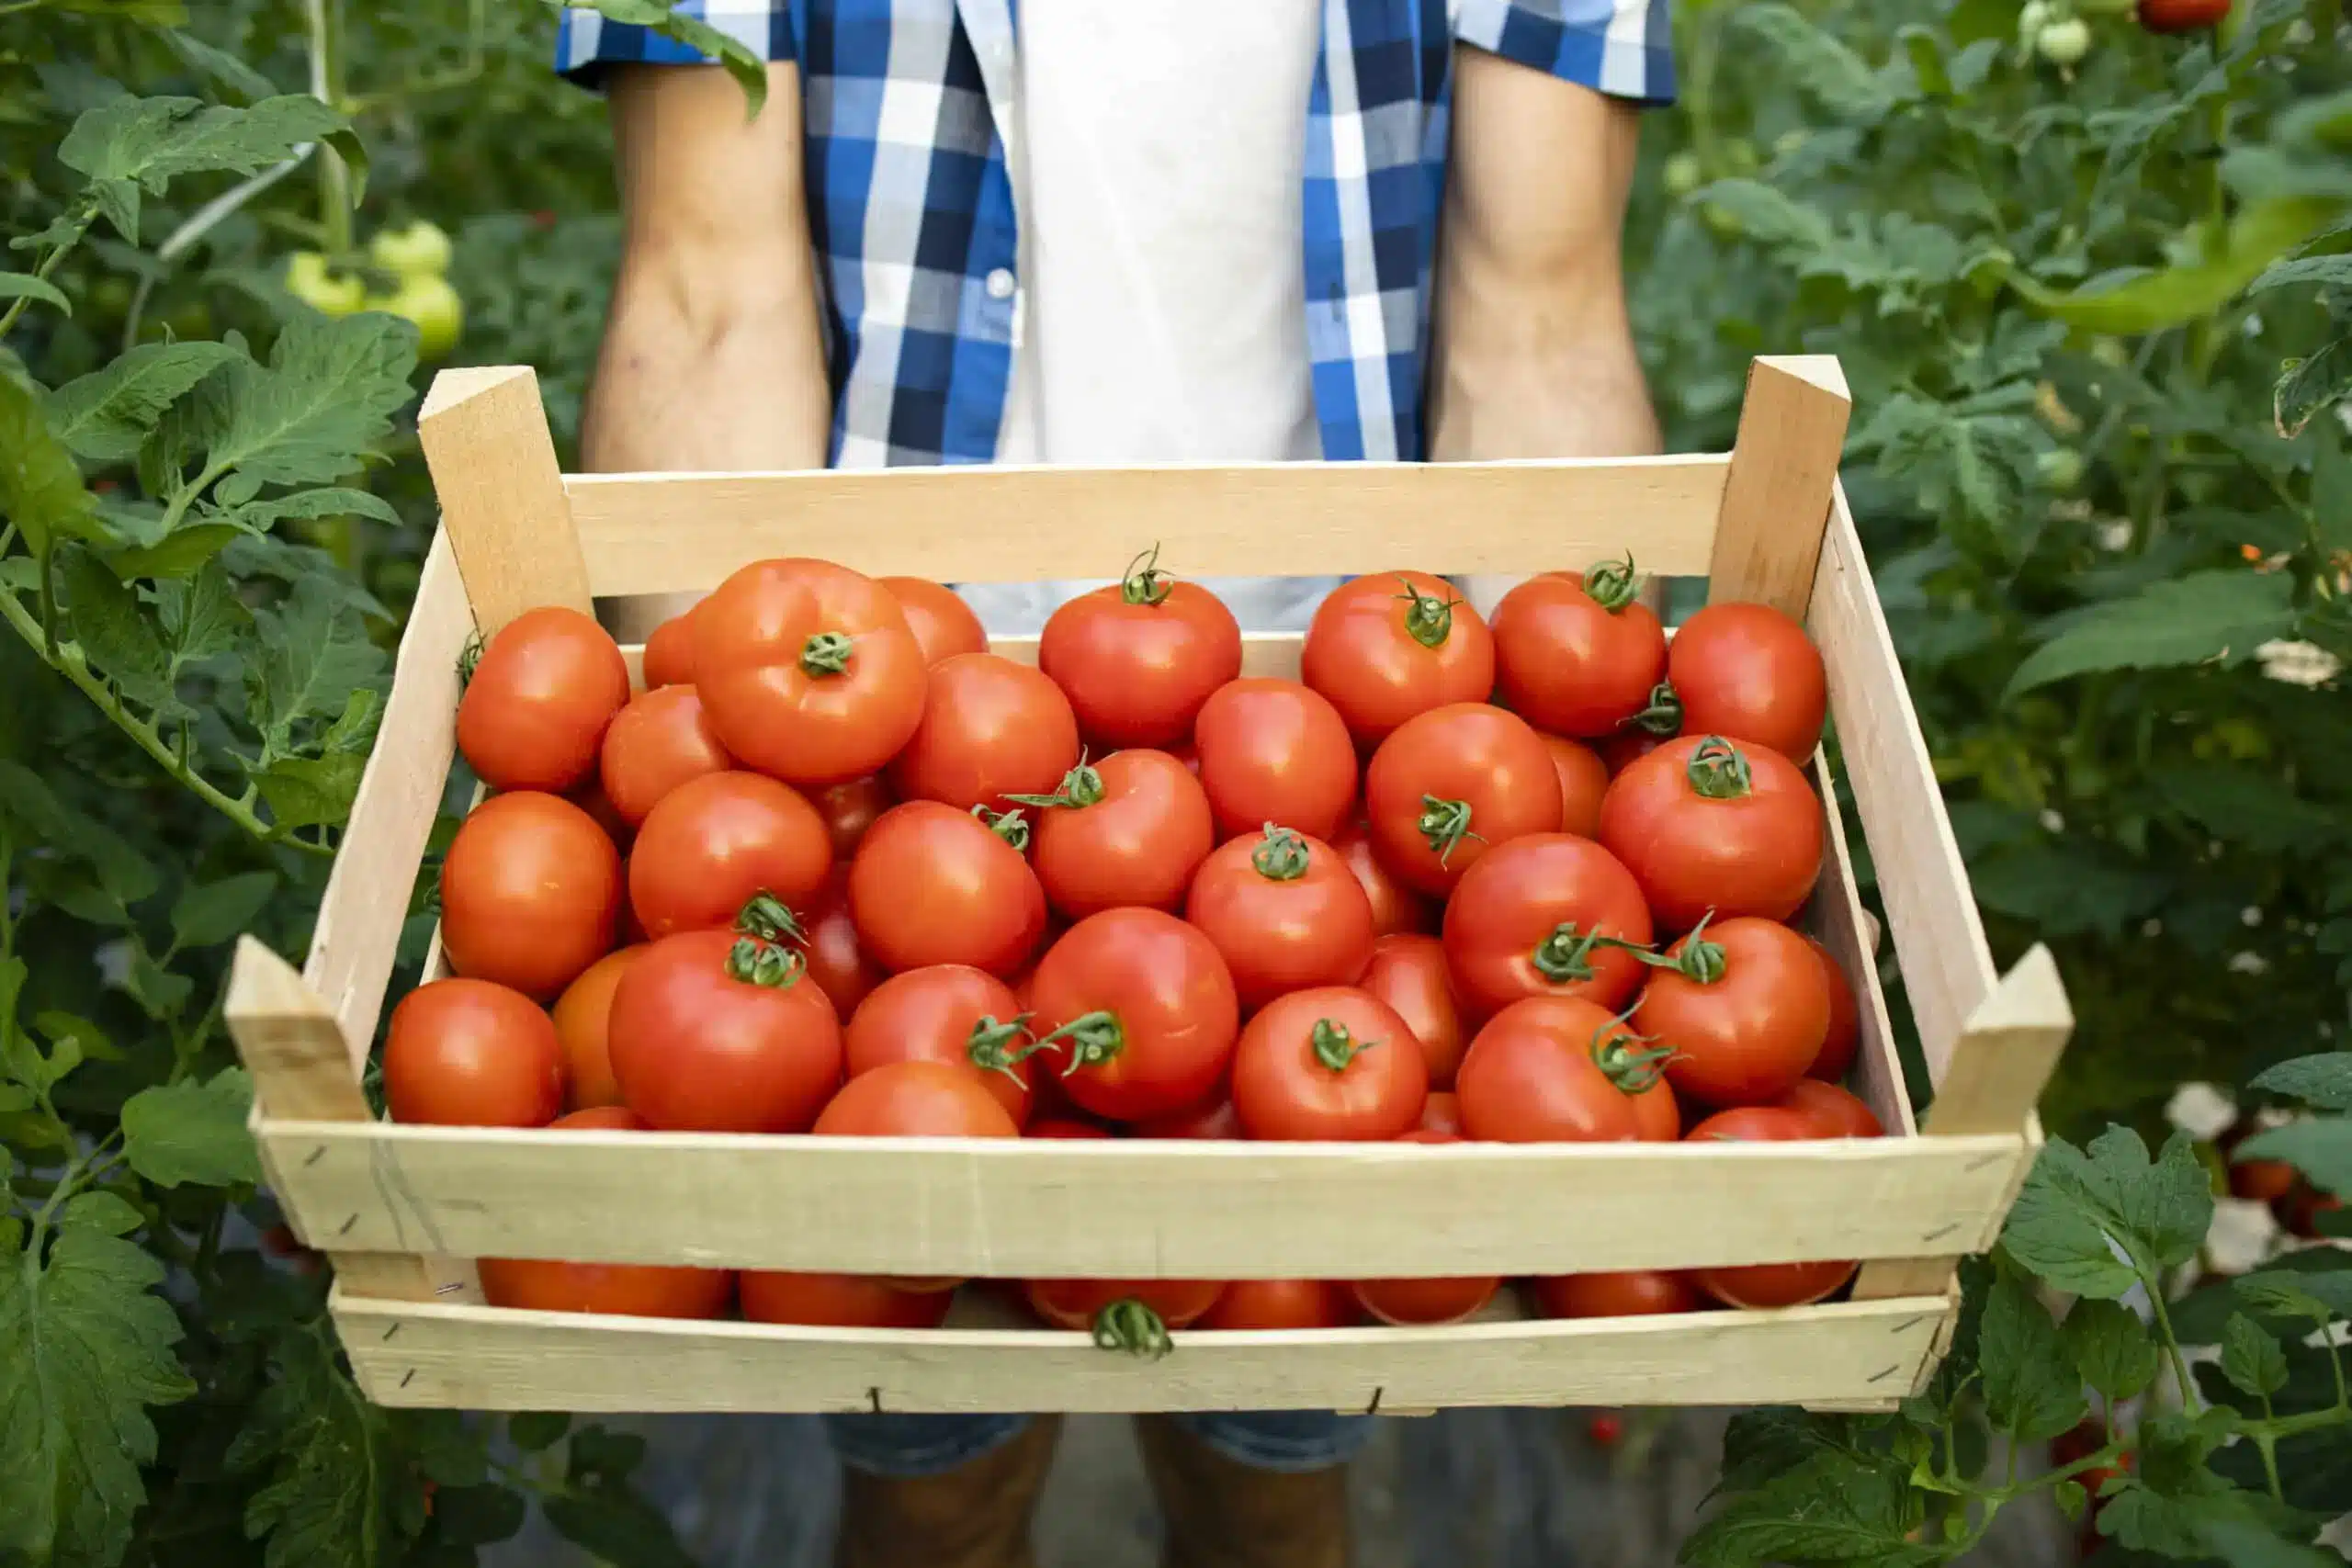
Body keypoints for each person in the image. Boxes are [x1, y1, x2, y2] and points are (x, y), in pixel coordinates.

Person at [558, 1, 1672, 1562]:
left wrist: (1541, 803)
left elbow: (1536, 317)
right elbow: (705, 297)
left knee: (1271, 1461)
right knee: (933, 1478)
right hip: (889, 747)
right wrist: (705, 779)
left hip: (1329, 755)